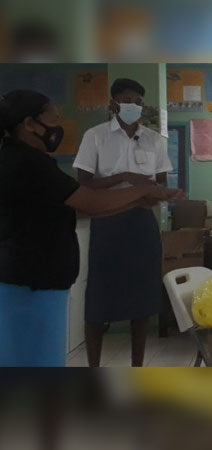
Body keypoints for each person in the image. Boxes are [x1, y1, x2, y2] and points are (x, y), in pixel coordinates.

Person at [0, 90, 180, 367]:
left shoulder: (25, 159)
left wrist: (138, 201)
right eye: (53, 120)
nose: (58, 128)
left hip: (39, 277)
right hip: (30, 281)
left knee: (140, 301)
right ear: (29, 124)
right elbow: (89, 199)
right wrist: (140, 188)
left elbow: (81, 207)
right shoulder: (29, 162)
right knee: (35, 358)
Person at [72, 78, 174, 367]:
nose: (134, 106)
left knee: (141, 301)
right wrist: (125, 178)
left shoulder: (153, 140)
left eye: (139, 102)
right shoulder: (96, 136)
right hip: (107, 223)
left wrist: (154, 194)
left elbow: (161, 184)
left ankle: (137, 365)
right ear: (113, 104)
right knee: (98, 301)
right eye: (128, 100)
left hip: (141, 224)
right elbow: (85, 182)